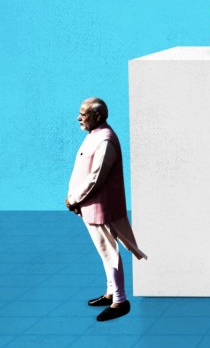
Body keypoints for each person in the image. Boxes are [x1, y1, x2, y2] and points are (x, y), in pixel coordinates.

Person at [66, 97, 147, 321]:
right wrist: (75, 200)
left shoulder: (106, 140)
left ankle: (120, 301)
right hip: (89, 206)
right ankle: (111, 292)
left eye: (84, 114)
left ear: (98, 116)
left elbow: (96, 178)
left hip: (101, 207)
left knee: (110, 253)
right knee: (104, 252)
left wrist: (75, 199)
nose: (79, 117)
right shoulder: (94, 135)